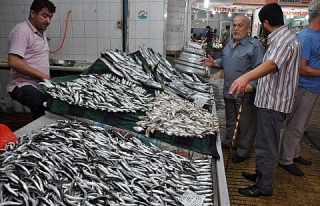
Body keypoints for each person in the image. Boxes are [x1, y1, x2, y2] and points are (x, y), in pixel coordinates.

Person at [228, 3, 301, 197]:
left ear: (266, 23)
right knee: (262, 143)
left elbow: (271, 65)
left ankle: (264, 187)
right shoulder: (280, 37)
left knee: (267, 147)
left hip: (273, 104)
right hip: (267, 101)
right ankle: (261, 175)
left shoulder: (284, 40)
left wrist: (246, 77)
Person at [200, 15, 265, 163]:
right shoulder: (229, 44)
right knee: (230, 119)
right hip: (229, 89)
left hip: (244, 93)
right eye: (234, 25)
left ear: (248, 28)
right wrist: (214, 62)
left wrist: (252, 85)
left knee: (246, 122)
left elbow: (261, 69)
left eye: (240, 25)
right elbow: (226, 61)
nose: (236, 28)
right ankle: (231, 141)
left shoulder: (254, 46)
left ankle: (244, 151)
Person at [278, 0, 320, 177]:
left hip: (313, 89)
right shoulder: (306, 37)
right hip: (303, 88)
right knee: (295, 125)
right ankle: (285, 159)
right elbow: (301, 68)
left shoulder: (316, 35)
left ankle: (294, 154)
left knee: (302, 125)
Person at [7, 0, 56, 120]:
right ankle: (41, 136)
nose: (48, 21)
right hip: (22, 85)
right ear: (33, 13)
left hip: (40, 85)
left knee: (54, 104)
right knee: (40, 103)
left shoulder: (41, 30)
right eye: (44, 16)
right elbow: (13, 61)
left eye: (50, 17)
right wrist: (42, 75)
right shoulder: (22, 31)